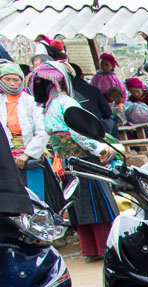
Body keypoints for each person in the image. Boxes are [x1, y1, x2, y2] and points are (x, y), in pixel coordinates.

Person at [27, 61, 119, 261]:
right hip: (84, 159)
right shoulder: (66, 102)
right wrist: (100, 148)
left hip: (66, 162)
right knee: (97, 200)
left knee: (78, 202)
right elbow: (79, 134)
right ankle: (105, 248)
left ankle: (89, 250)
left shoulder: (47, 107)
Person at [0, 60, 58, 210]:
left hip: (30, 153)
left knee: (35, 196)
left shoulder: (32, 102)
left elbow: (42, 130)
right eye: (7, 79)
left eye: (16, 79)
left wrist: (27, 154)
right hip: (6, 154)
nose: (12, 83)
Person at [68, 63, 117, 137]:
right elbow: (107, 113)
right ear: (82, 76)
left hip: (73, 132)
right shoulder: (92, 89)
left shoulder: (60, 92)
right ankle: (116, 145)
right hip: (96, 130)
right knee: (112, 120)